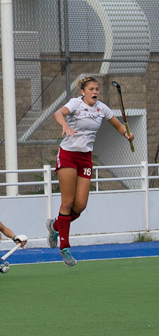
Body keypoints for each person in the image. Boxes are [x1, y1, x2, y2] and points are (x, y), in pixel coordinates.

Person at [46, 76, 135, 266]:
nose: (95, 92)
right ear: (83, 92)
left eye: (97, 89)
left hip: (85, 158)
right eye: (91, 89)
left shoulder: (102, 108)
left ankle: (55, 226)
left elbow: (118, 125)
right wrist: (65, 125)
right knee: (68, 202)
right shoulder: (75, 104)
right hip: (68, 155)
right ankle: (65, 248)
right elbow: (58, 114)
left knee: (80, 206)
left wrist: (126, 133)